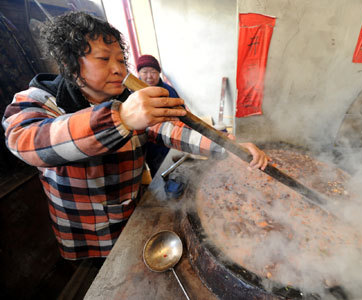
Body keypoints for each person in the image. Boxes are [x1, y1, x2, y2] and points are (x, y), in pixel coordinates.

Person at [2, 11, 268, 261]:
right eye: (104, 59)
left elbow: (172, 128)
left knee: (132, 258)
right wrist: (121, 118)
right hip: (82, 231)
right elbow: (26, 142)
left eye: (120, 60)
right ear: (70, 64)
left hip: (128, 215)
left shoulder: (129, 98)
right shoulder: (39, 99)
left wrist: (226, 147)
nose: (118, 69)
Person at [136, 54, 180, 177]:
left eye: (153, 72)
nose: (149, 76)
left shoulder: (168, 90)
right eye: (145, 72)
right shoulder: (132, 94)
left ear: (159, 73)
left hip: (171, 139)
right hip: (148, 143)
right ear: (139, 73)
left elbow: (181, 113)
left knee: (176, 170)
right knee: (157, 173)